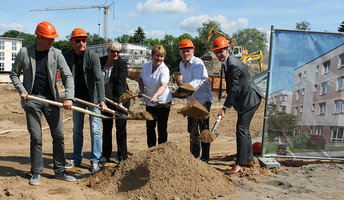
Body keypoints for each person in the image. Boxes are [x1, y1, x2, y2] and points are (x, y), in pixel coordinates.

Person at [9, 21, 76, 185]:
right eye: (48, 39)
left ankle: (60, 171)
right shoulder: (25, 52)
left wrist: (68, 97)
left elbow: (67, 76)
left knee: (59, 136)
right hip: (32, 99)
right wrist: (22, 90)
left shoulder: (56, 53)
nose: (52, 41)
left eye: (53, 39)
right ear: (38, 37)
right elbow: (14, 74)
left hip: (52, 100)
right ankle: (36, 172)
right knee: (36, 137)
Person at [212, 37, 263, 174]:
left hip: (250, 99)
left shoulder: (233, 64)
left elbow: (234, 89)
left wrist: (224, 108)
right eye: (216, 52)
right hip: (245, 99)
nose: (218, 55)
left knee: (241, 129)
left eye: (220, 51)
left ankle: (240, 164)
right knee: (244, 129)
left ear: (227, 49)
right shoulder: (227, 62)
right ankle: (249, 159)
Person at [63, 28, 106, 173]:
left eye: (84, 40)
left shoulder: (92, 57)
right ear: (72, 42)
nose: (81, 43)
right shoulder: (67, 57)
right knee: (77, 129)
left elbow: (99, 78)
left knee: (95, 130)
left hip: (92, 99)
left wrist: (101, 100)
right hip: (77, 98)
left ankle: (95, 160)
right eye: (78, 41)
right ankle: (76, 158)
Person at [175, 39, 213, 162]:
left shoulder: (198, 63)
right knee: (192, 129)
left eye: (188, 51)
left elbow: (197, 81)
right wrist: (182, 90)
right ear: (180, 52)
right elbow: (186, 82)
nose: (186, 54)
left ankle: (205, 158)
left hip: (203, 100)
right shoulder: (182, 64)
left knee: (204, 129)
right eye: (183, 51)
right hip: (192, 101)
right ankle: (194, 156)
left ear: (193, 51)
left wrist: (183, 90)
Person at [99, 41, 130, 163]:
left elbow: (121, 83)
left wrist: (120, 101)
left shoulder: (121, 64)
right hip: (106, 99)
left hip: (120, 99)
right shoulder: (101, 61)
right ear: (108, 51)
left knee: (121, 128)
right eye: (113, 51)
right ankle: (106, 155)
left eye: (118, 51)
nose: (116, 54)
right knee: (107, 128)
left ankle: (122, 156)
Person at [138, 45, 173, 147]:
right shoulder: (146, 66)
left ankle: (162, 151)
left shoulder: (164, 69)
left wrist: (156, 95)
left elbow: (164, 85)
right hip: (149, 101)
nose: (159, 58)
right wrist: (141, 90)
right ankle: (151, 150)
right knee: (150, 127)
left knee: (161, 128)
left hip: (162, 102)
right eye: (157, 55)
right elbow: (140, 79)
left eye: (161, 56)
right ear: (152, 56)